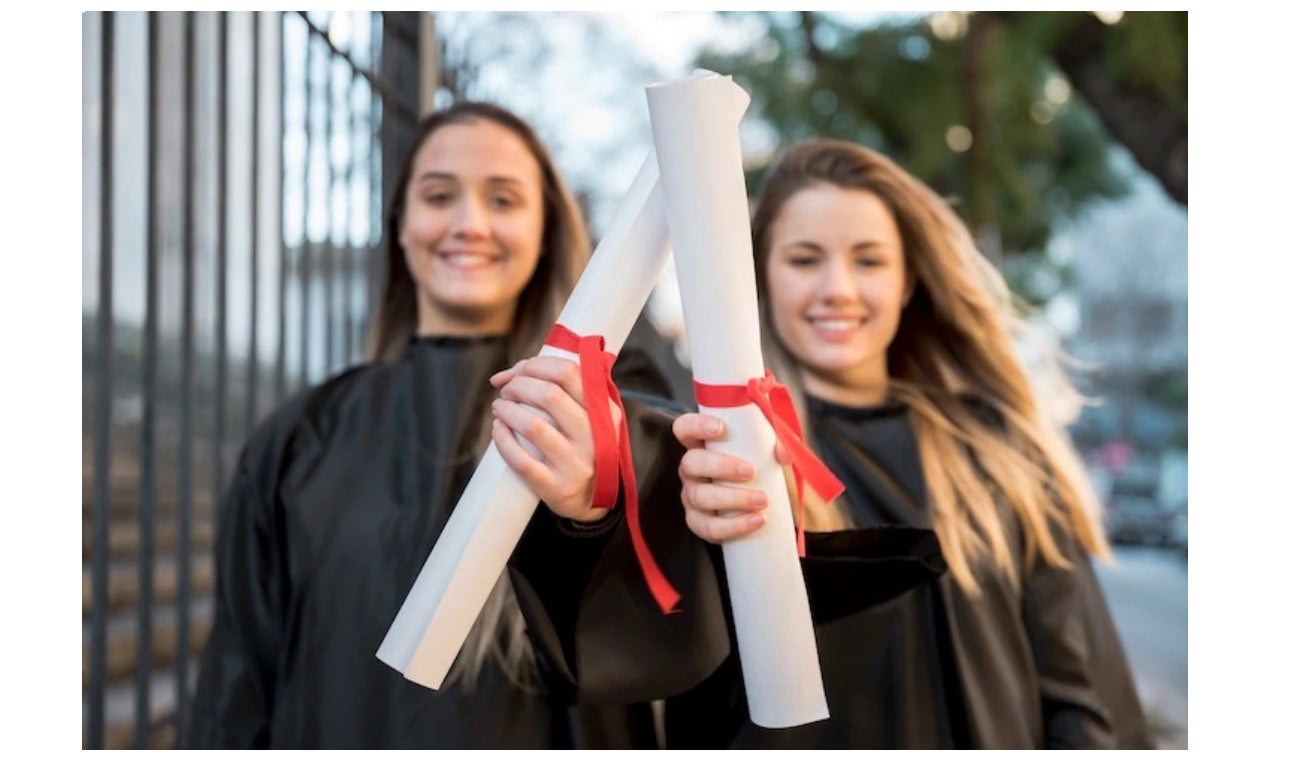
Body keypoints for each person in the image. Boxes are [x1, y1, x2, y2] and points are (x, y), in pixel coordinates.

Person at [183, 101, 682, 749]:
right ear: (401, 224)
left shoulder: (609, 423)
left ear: (546, 229)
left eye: (503, 199)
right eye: (439, 195)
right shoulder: (299, 437)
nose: (469, 223)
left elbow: (663, 637)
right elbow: (239, 681)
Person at [660, 138, 1153, 748]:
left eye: (869, 261)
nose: (838, 288)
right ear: (762, 275)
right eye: (805, 259)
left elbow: (1077, 690)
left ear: (910, 279)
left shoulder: (998, 451)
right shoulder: (725, 462)